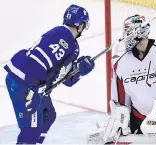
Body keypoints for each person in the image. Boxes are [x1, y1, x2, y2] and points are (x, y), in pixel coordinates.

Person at [4, 4, 95, 144]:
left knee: (48, 114)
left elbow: (63, 77)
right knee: (31, 130)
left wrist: (79, 70)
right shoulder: (68, 40)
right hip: (27, 84)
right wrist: (35, 89)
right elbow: (38, 62)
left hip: (24, 80)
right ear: (81, 25)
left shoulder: (62, 36)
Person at [103, 14, 156, 143]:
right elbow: (120, 96)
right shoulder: (120, 61)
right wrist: (120, 116)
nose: (125, 36)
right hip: (139, 117)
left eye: (127, 32)